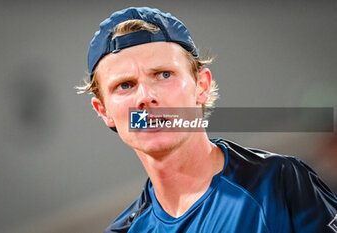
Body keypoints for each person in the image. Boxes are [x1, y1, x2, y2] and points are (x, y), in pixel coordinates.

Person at [77, 7, 337, 233]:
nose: (146, 97)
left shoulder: (278, 184)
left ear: (201, 86)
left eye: (163, 74)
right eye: (125, 85)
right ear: (104, 111)